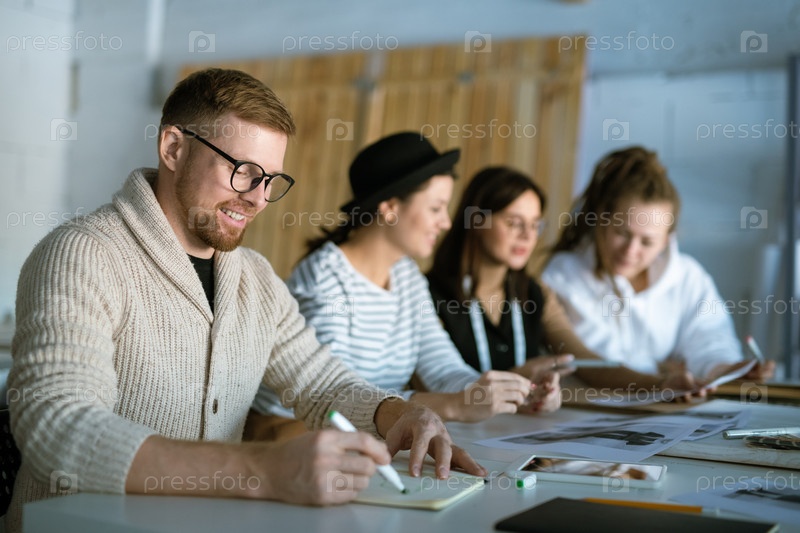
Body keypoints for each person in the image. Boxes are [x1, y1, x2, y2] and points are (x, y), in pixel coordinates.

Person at [7, 69, 484, 533]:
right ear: (173, 148)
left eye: (271, 179)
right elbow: (57, 425)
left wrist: (400, 414)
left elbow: (321, 383)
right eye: (243, 172)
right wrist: (263, 469)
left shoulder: (255, 276)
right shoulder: (83, 254)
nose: (258, 198)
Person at [251, 133, 555, 426]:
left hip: (373, 436)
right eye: (435, 208)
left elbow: (443, 369)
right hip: (293, 437)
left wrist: (511, 392)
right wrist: (454, 405)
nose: (446, 222)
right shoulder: (324, 279)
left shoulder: (406, 276)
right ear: (390, 208)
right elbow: (338, 399)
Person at [541, 146, 774, 393]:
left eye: (647, 242)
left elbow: (709, 337)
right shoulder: (564, 274)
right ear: (601, 221)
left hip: (662, 404)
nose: (630, 251)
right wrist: (664, 373)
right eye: (622, 233)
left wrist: (724, 369)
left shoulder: (687, 277)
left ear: (666, 241)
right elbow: (597, 363)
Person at [426, 166, 665, 404]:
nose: (527, 235)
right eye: (514, 223)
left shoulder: (535, 292)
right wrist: (516, 379)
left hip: (519, 425)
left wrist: (661, 384)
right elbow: (432, 385)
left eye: (535, 225)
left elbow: (583, 361)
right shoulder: (428, 294)